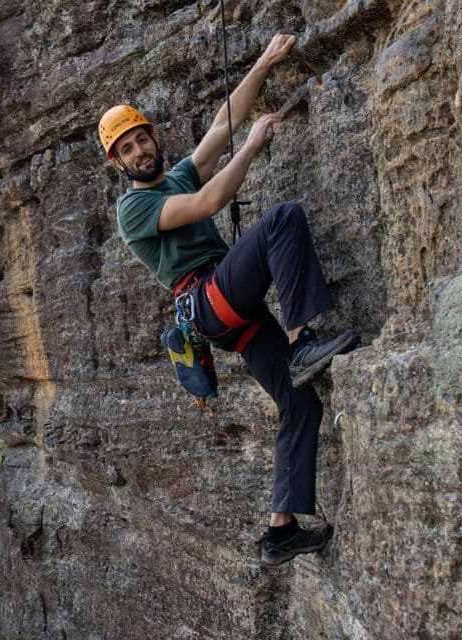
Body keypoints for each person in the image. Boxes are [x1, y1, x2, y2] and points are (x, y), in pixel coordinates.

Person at [98, 33, 359, 565]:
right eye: (127, 149)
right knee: (282, 219)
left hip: (229, 310)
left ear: (153, 137)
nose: (139, 151)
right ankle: (301, 342)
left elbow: (223, 123)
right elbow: (208, 201)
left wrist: (264, 61)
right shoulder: (134, 210)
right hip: (206, 299)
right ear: (118, 164)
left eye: (141, 139)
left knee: (300, 400)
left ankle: (280, 531)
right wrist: (253, 147)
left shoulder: (174, 175)